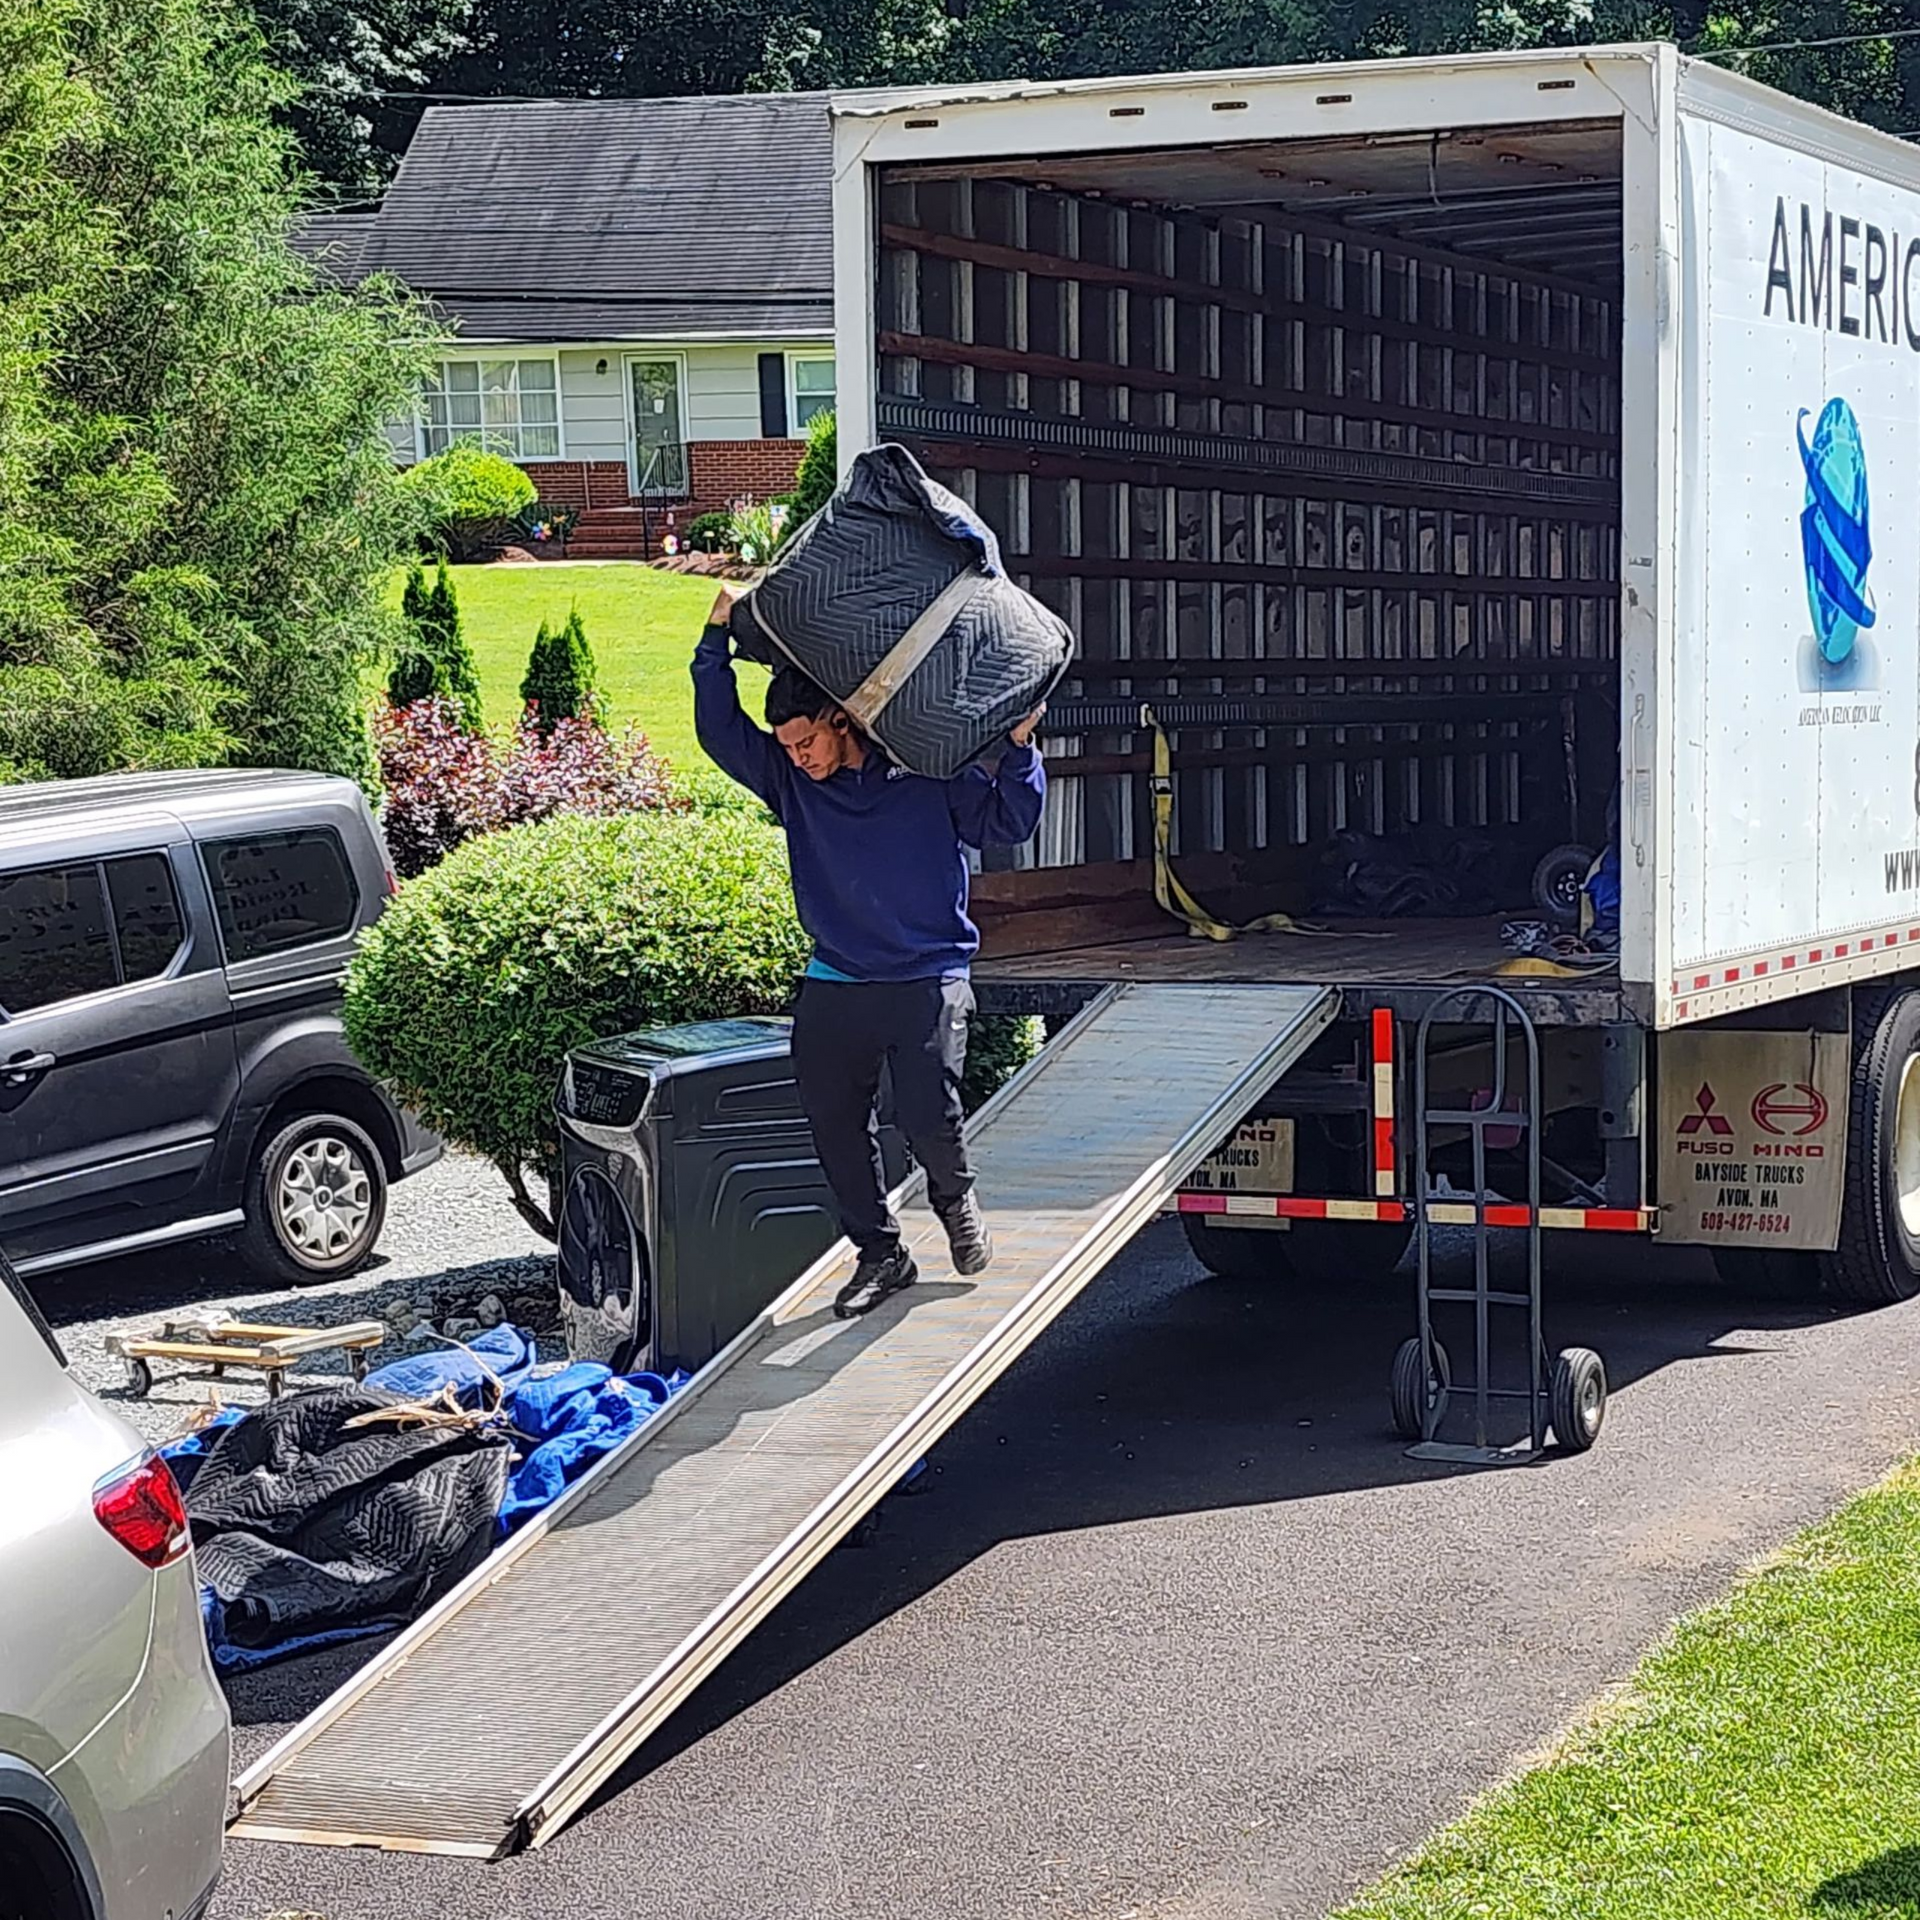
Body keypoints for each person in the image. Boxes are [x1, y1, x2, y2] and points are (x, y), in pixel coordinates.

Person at [692, 585, 1047, 1318]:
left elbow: (1005, 824)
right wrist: (714, 637)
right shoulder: (790, 782)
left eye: (808, 743)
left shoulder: (923, 766)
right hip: (837, 976)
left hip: (927, 972)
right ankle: (881, 1254)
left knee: (926, 1116)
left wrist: (1018, 750)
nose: (799, 759)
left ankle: (954, 1201)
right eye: (787, 748)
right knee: (833, 1124)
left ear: (841, 721)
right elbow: (718, 730)